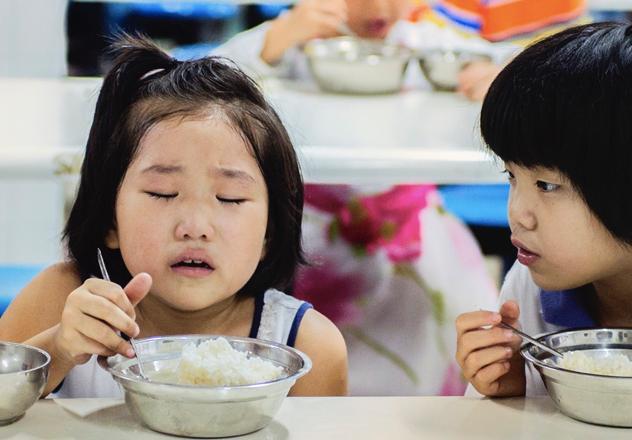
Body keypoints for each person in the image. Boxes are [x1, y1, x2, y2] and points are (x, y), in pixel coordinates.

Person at [0, 34, 348, 398]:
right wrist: (58, 348)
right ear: (109, 219)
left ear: (270, 232)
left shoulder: (308, 347)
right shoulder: (61, 302)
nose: (194, 228)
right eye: (162, 193)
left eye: (229, 199)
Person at [455, 22, 632, 397]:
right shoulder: (530, 283)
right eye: (511, 176)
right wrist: (514, 393)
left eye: (547, 185)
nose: (518, 213)